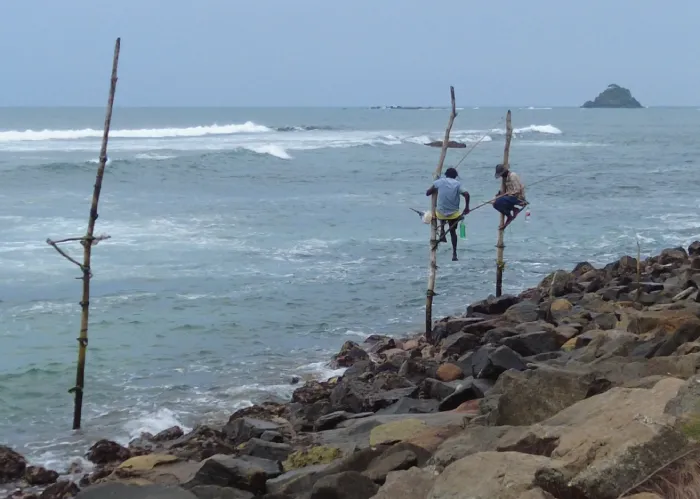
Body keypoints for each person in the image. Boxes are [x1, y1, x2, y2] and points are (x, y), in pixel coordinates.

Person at [425, 167, 470, 261]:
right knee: (453, 232)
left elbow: (428, 193)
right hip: (454, 214)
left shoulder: (440, 182)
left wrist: (435, 187)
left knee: (439, 211)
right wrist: (466, 208)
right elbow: (466, 194)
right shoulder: (458, 184)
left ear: (446, 175)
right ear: (455, 176)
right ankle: (454, 253)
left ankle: (442, 231)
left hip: (441, 213)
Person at [493, 163, 527, 230]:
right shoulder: (506, 178)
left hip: (518, 198)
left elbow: (517, 190)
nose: (501, 176)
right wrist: (499, 194)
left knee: (499, 200)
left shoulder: (512, 176)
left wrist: (507, 194)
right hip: (510, 198)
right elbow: (506, 189)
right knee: (495, 204)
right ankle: (510, 214)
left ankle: (513, 210)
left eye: (502, 174)